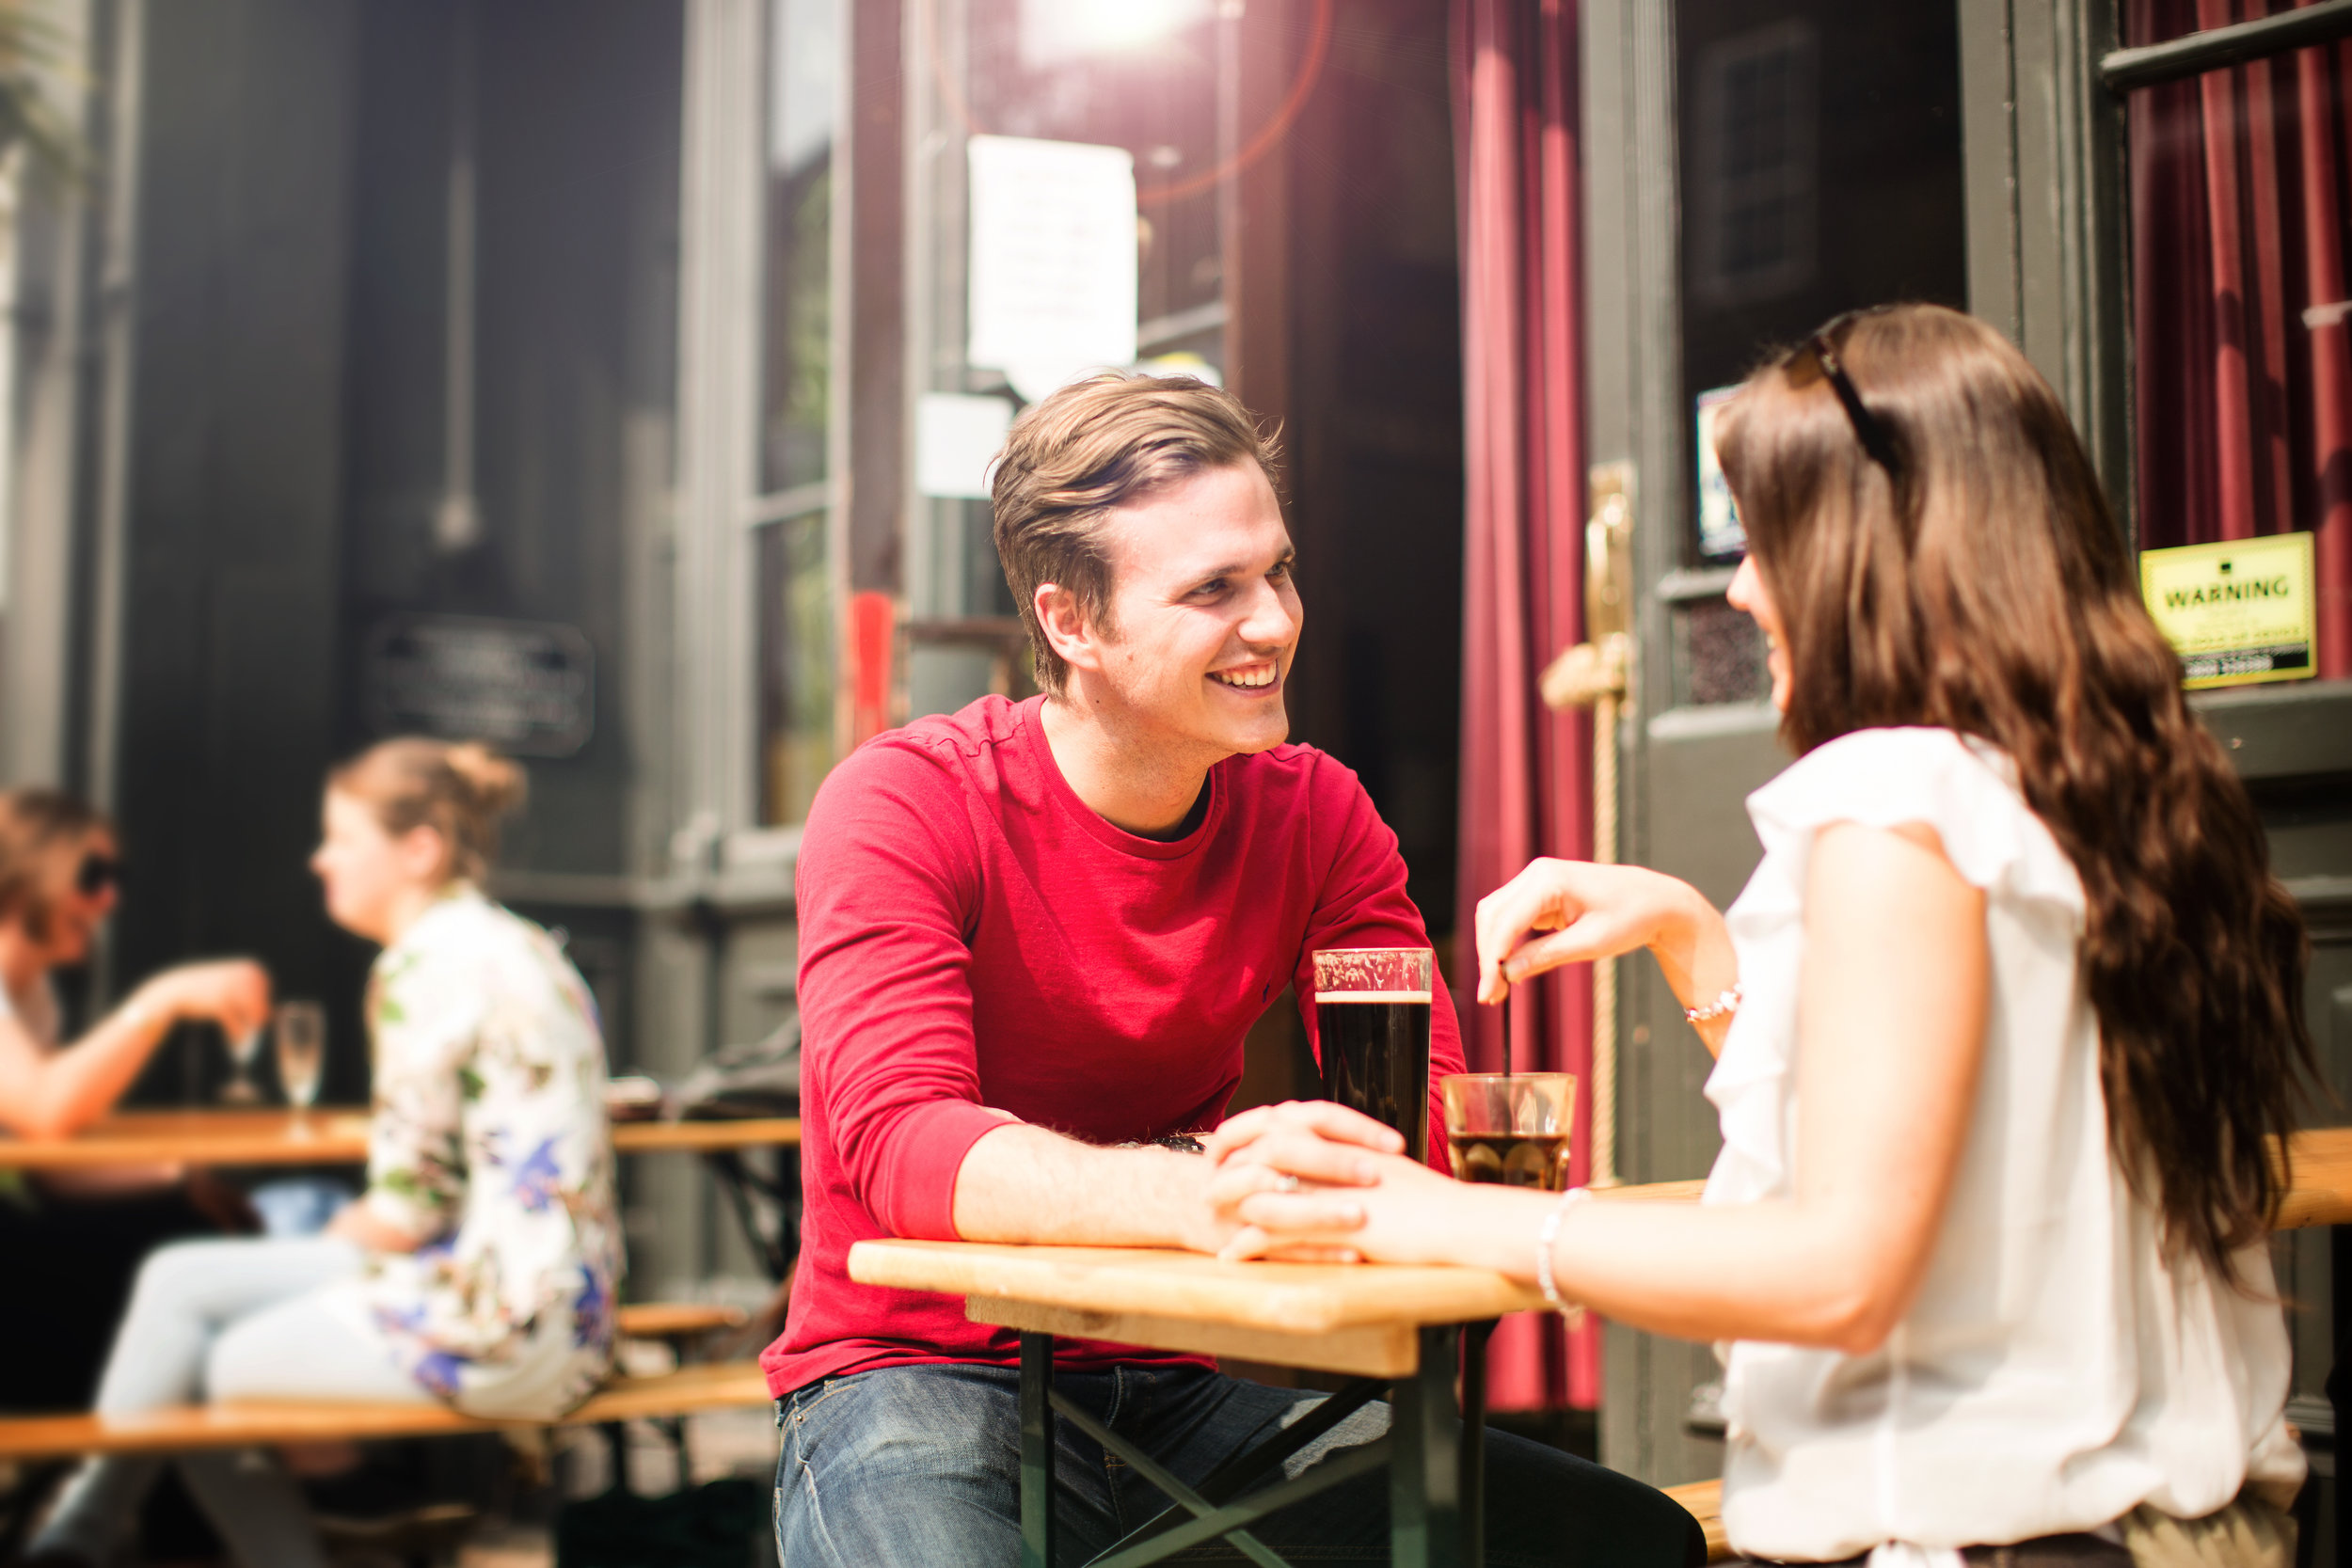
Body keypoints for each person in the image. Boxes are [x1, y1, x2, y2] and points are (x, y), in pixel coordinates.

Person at [1212, 305, 2312, 1566]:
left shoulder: (1893, 798)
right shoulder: (2090, 779)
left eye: (1763, 538)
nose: (1739, 585)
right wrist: (1693, 934)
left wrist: (1437, 1215)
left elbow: (1840, 1262)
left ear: (1866, 550)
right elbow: (1957, 1130)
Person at [767, 373, 1706, 1566]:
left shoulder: (1314, 811)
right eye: (1213, 589)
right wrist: (1212, 1191)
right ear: (1072, 623)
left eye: (1277, 571)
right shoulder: (905, 801)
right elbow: (904, 1149)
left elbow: (1417, 1109)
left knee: (1618, 1541)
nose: (1272, 619)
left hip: (1171, 1376)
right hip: (911, 1370)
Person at [27, 740, 622, 1568]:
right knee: (180, 1287)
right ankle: (75, 1537)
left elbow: (407, 1214)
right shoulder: (521, 946)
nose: (319, 859)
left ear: (419, 850)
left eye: (341, 839)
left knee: (193, 1367)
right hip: (571, 1316)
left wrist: (295, 1258)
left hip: (501, 1327)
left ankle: (73, 1539)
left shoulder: (425, 963)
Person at [0, 788, 272, 1414]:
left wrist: (177, 1176)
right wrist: (165, 997)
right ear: (24, 876)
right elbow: (46, 1110)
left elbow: (49, 1166)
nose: (109, 899)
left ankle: (138, 1491)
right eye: (92, 876)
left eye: (115, 879)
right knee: (182, 1281)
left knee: (193, 1230)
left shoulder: (33, 994)